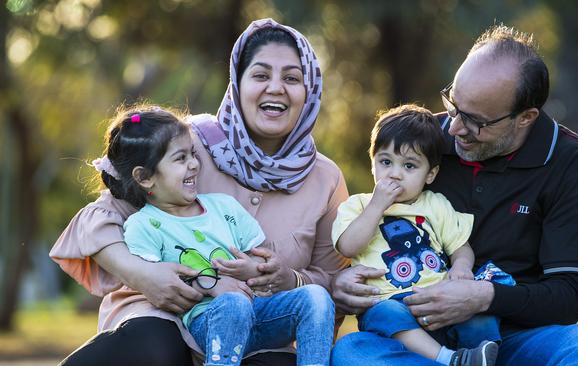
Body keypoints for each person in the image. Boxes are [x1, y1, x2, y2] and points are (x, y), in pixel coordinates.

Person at [50, 18, 349, 366]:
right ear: (238, 83)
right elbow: (99, 217)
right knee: (158, 349)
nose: (276, 88)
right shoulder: (188, 144)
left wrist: (290, 279)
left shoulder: (325, 179)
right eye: (261, 75)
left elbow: (331, 281)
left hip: (257, 332)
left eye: (292, 78)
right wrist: (142, 274)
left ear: (309, 89)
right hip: (163, 318)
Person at [330, 24, 578, 365]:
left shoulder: (572, 164)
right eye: (453, 104)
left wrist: (483, 297)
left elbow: (568, 297)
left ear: (525, 117)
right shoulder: (424, 144)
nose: (453, 128)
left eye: (474, 121)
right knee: (353, 352)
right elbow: (369, 231)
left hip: (517, 340)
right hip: (419, 340)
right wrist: (343, 286)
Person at [95, 105, 334, 366]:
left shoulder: (224, 207)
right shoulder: (143, 226)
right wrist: (211, 285)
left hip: (259, 312)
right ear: (145, 177)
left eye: (193, 154)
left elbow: (259, 257)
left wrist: (253, 268)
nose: (194, 165)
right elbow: (160, 287)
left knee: (316, 297)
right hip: (207, 320)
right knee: (234, 304)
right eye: (180, 158)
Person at [332, 104, 501, 366]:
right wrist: (378, 206)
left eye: (409, 166)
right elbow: (348, 247)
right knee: (384, 314)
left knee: (481, 313)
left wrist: (462, 267)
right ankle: (449, 359)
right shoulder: (360, 205)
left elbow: (460, 246)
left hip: (440, 300)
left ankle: (480, 355)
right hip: (388, 301)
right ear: (373, 163)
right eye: (386, 162)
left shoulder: (436, 204)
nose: (395, 174)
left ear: (430, 174)